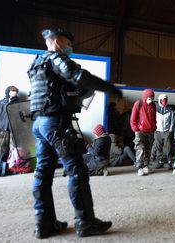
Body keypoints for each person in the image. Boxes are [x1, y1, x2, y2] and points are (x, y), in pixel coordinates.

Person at [28, 28, 122, 238]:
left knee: (43, 173)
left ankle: (44, 224)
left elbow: (56, 90)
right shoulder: (56, 59)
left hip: (40, 124)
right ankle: (85, 222)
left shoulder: (36, 64)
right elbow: (79, 76)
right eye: (69, 43)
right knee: (77, 170)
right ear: (59, 42)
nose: (71, 48)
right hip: (56, 124)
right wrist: (110, 88)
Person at [130, 89, 156, 176]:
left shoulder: (153, 105)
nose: (151, 100)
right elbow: (133, 119)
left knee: (148, 149)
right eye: (149, 98)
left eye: (152, 98)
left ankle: (145, 165)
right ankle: (140, 168)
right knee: (140, 149)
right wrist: (136, 129)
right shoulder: (138, 104)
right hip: (140, 131)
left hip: (150, 131)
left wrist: (154, 127)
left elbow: (154, 117)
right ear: (145, 97)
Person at [0, 86, 19, 163]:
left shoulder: (18, 103)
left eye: (15, 91)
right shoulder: (0, 103)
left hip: (13, 129)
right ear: (8, 92)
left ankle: (12, 166)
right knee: (2, 149)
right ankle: (0, 166)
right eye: (12, 90)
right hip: (2, 129)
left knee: (13, 148)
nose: (14, 92)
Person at [154, 94, 175, 169]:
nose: (164, 101)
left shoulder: (169, 109)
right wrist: (155, 129)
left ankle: (169, 162)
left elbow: (172, 121)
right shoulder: (156, 109)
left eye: (165, 100)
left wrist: (170, 130)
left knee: (168, 148)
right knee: (158, 147)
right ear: (160, 100)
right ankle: (160, 162)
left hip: (166, 131)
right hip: (158, 131)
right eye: (163, 100)